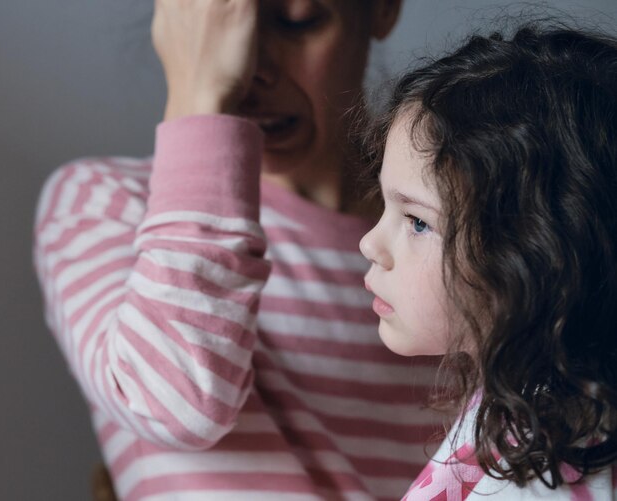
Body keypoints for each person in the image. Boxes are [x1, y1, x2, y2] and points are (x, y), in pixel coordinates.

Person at [34, 1, 445, 499]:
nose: (249, 72)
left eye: (296, 22)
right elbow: (179, 406)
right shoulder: (103, 202)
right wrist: (199, 95)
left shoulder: (458, 235)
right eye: (219, 32)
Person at [359, 23, 617, 499]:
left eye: (417, 221)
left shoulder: (554, 472)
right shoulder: (521, 414)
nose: (369, 243)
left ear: (535, 256)